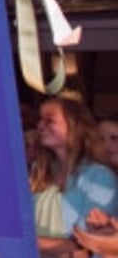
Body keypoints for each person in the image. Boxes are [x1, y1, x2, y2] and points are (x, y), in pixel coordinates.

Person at [35, 96, 118, 253]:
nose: (40, 125)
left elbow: (86, 242)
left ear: (75, 126)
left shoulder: (99, 177)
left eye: (49, 120)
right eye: (39, 120)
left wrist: (28, 242)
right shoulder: (37, 174)